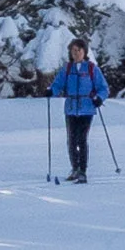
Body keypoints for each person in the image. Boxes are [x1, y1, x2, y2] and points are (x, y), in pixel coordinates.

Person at [50, 40, 110, 183]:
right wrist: (50, 91)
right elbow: (58, 84)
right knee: (71, 140)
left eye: (79, 50)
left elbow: (103, 88)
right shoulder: (67, 68)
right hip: (71, 108)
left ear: (85, 52)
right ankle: (75, 169)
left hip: (86, 109)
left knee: (81, 140)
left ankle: (82, 171)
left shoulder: (91, 68)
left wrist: (99, 98)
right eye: (73, 50)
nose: (76, 53)